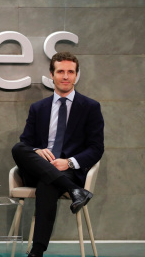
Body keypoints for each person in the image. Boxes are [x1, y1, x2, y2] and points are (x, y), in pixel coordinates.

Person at [11, 52, 104, 257]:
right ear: (51, 75)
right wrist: (37, 151)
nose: (65, 76)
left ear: (76, 75)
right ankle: (74, 191)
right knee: (18, 148)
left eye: (70, 72)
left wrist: (69, 163)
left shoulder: (90, 107)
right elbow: (25, 142)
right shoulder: (38, 108)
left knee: (48, 183)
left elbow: (96, 148)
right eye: (60, 71)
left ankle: (37, 251)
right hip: (39, 166)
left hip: (67, 170)